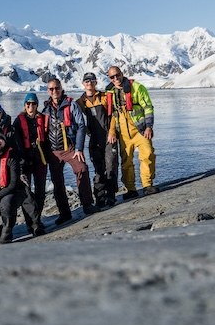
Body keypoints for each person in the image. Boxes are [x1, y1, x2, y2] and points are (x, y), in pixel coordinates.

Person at [40, 77, 97, 224]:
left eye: (57, 88)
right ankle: (64, 213)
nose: (54, 91)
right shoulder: (45, 109)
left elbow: (81, 126)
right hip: (53, 151)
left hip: (70, 148)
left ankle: (87, 204)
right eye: (51, 89)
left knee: (82, 169)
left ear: (61, 88)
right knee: (57, 182)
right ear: (48, 91)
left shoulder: (71, 104)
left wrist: (79, 148)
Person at [105, 65, 157, 198]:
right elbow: (112, 115)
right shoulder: (110, 93)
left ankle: (147, 185)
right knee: (126, 161)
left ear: (122, 73)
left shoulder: (137, 87)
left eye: (117, 75)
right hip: (123, 134)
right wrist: (111, 131)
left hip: (140, 130)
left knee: (148, 155)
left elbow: (148, 107)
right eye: (112, 77)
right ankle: (131, 189)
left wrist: (149, 126)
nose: (116, 78)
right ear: (109, 78)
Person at [76, 73, 118, 209]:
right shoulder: (81, 102)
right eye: (86, 81)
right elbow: (78, 120)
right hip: (94, 140)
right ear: (83, 83)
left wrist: (112, 131)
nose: (89, 83)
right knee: (98, 170)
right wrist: (87, 133)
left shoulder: (104, 97)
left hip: (108, 137)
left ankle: (111, 196)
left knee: (111, 166)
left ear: (96, 82)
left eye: (92, 80)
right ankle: (100, 197)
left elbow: (113, 115)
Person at [12, 93, 47, 236]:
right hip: (24, 161)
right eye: (28, 104)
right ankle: (32, 224)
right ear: (24, 105)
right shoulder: (19, 121)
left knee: (40, 192)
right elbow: (14, 142)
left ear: (37, 105)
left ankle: (37, 219)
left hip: (39, 159)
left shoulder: (42, 119)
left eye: (33, 104)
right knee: (27, 194)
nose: (31, 106)